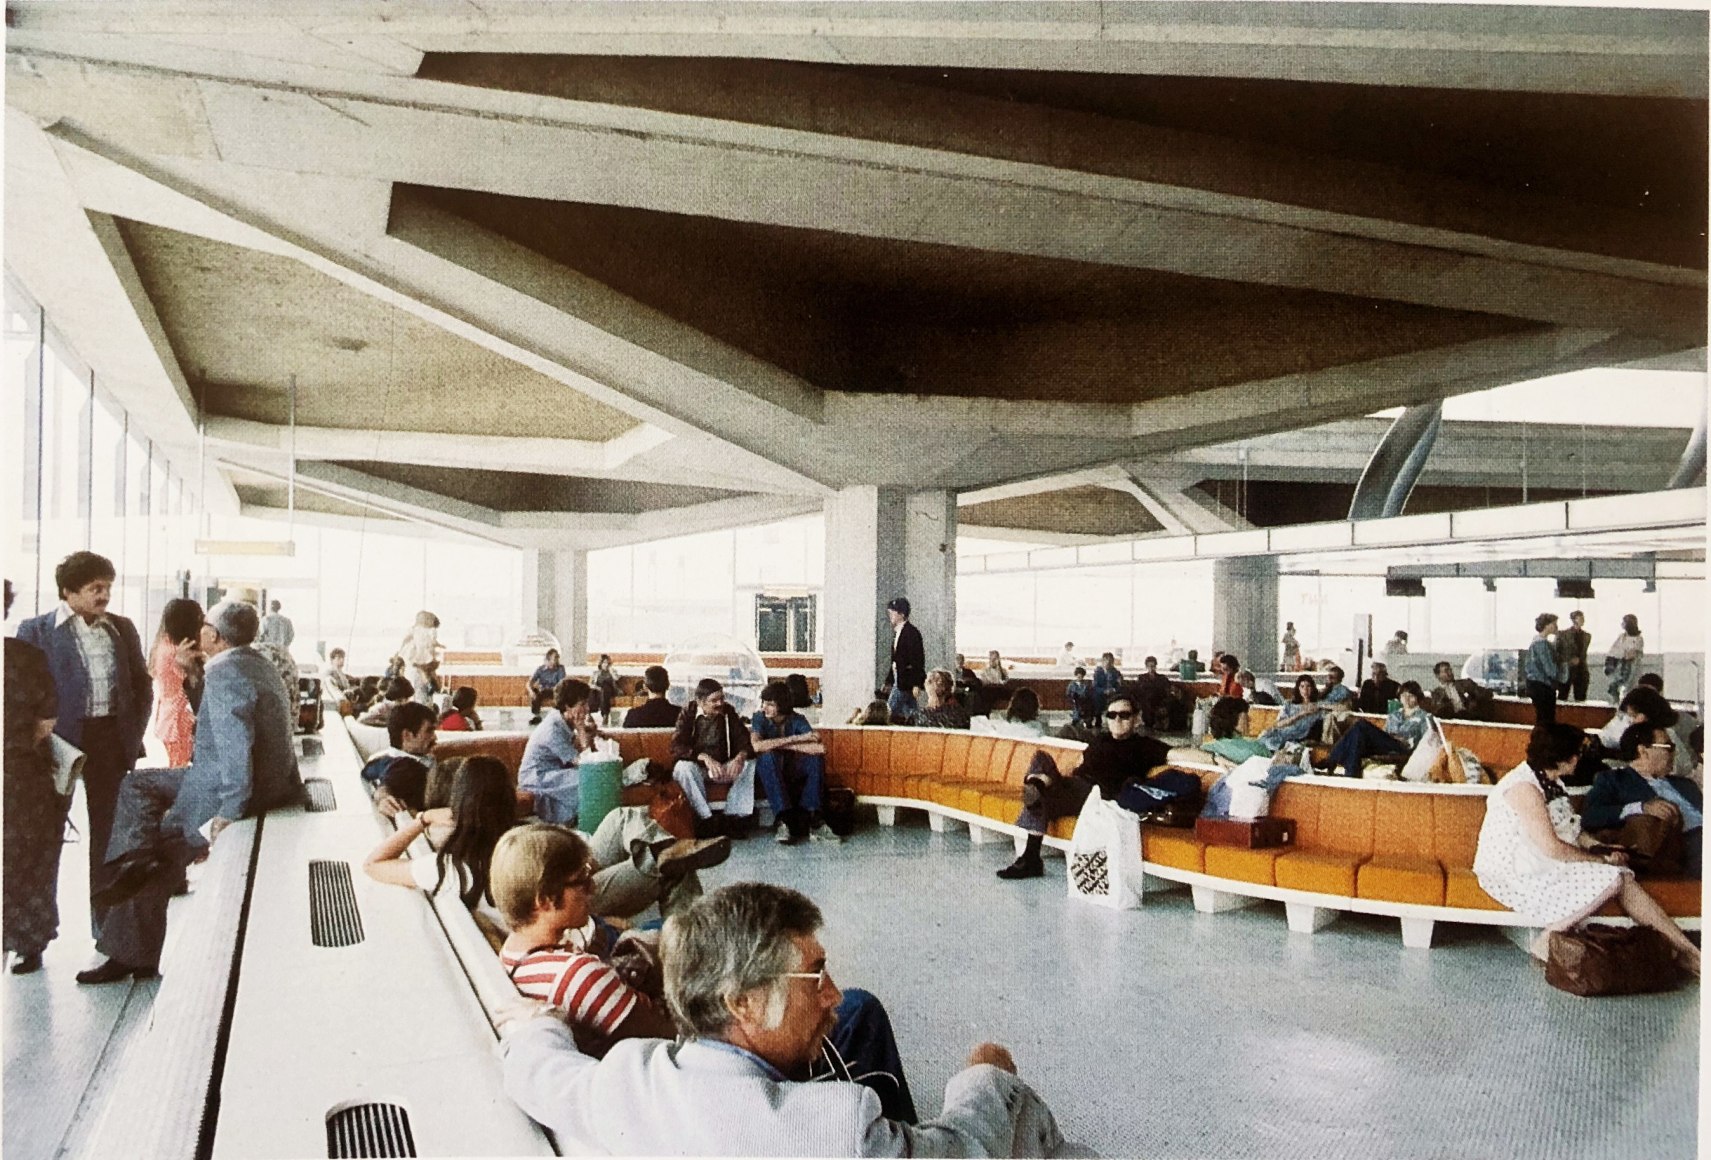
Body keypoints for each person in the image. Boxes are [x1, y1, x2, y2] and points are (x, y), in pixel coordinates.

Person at [500, 881, 1060, 1155]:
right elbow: (963, 1149)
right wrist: (988, 1079)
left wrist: (541, 1021)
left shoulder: (626, 1083)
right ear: (740, 1001)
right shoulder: (836, 1130)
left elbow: (537, 1068)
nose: (833, 995)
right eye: (814, 975)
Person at [79, 600, 302, 983]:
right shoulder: (253, 663)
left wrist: (230, 810)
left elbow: (235, 745)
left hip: (229, 787)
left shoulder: (228, 673)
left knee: (149, 818)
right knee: (139, 789)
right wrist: (192, 676)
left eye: (204, 626)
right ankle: (138, 860)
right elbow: (221, 722)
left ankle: (135, 872)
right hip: (261, 782)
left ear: (213, 636)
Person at [365, 757, 729, 929]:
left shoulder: (447, 864)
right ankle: (692, 937)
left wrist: (420, 820)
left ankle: (666, 848)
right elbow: (566, 882)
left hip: (561, 879)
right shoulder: (518, 844)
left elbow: (374, 865)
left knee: (622, 818)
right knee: (668, 870)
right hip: (570, 896)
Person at [1473, 723, 1699, 973]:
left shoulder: (1552, 781)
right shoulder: (1524, 788)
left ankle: (1686, 950)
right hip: (1516, 868)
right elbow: (1552, 848)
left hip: (1541, 857)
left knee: (1621, 875)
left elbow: (1574, 832)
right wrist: (1599, 862)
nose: (1580, 759)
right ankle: (1550, 935)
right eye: (1577, 754)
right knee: (1614, 878)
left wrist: (1601, 848)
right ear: (1565, 758)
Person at [16, 551, 152, 940]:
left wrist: (132, 735)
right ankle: (31, 937)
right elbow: (20, 692)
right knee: (44, 838)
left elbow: (142, 686)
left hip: (110, 742)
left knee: (110, 838)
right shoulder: (36, 631)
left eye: (108, 586)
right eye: (96, 588)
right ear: (68, 592)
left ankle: (107, 928)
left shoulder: (122, 629)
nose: (104, 594)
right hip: (55, 748)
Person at [997, 692, 1168, 880]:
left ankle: (1031, 855)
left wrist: (1207, 755)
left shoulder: (1145, 746)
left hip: (1098, 796)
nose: (1117, 719)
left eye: (1124, 715)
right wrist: (1057, 778)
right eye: (1112, 715)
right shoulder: (1099, 741)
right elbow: (1078, 766)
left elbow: (1178, 754)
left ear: (1136, 718)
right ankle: (1038, 786)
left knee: (1040, 796)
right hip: (1075, 788)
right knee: (1041, 757)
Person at [4, 580, 65, 974]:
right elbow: (47, 719)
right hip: (22, 774)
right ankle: (29, 941)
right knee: (31, 860)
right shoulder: (24, 656)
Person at [1583, 723, 1702, 878]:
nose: (1674, 752)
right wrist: (1640, 808)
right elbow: (1590, 816)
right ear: (1643, 751)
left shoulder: (1686, 784)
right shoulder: (1613, 780)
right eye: (1668, 747)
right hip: (1680, 843)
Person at [749, 681, 834, 845]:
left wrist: (780, 744)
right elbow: (757, 746)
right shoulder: (759, 718)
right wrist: (796, 740)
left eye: (770, 704)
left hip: (791, 770)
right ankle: (783, 820)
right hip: (769, 773)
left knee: (815, 760)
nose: (764, 708)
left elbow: (819, 748)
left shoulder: (797, 719)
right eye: (764, 703)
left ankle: (813, 817)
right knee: (767, 757)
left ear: (782, 706)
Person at [672, 678, 757, 838]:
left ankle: (733, 818)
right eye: (714, 700)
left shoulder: (728, 712)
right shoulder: (688, 713)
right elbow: (677, 746)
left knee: (749, 763)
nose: (720, 703)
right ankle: (706, 820)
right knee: (682, 768)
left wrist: (739, 757)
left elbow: (744, 741)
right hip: (699, 769)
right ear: (700, 702)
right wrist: (704, 758)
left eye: (722, 698)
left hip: (724, 768)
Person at [520, 679, 611, 825]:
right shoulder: (552, 730)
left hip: (555, 772)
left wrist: (591, 733)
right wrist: (582, 732)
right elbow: (585, 765)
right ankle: (590, 823)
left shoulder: (562, 721)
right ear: (568, 706)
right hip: (537, 777)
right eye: (582, 704)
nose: (587, 709)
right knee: (590, 780)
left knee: (595, 778)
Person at [1325, 681, 1434, 779]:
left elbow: (1427, 742)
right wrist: (1390, 736)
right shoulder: (1394, 715)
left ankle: (1332, 760)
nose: (1406, 698)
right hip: (1388, 743)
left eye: (1410, 696)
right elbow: (1384, 734)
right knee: (1358, 736)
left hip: (1402, 747)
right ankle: (1350, 772)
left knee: (1361, 725)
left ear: (1418, 698)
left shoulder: (1424, 717)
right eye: (1403, 695)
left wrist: (1407, 741)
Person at [147, 598, 204, 767]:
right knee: (181, 769)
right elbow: (195, 682)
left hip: (169, 715)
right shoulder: (178, 652)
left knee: (177, 766)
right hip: (180, 719)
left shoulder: (163, 643)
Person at [362, 701, 438, 815]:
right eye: (429, 731)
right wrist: (382, 798)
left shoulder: (379, 760)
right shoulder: (407, 767)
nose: (434, 737)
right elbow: (387, 785)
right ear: (407, 735)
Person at [1258, 674, 1328, 751]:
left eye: (1308, 686)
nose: (1305, 690)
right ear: (1298, 688)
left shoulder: (1318, 707)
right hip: (1279, 734)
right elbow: (1279, 724)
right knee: (1263, 740)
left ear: (1312, 688)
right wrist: (1301, 714)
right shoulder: (1289, 704)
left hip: (1296, 739)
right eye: (1302, 686)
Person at [884, 597, 925, 722]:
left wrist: (917, 684)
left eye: (893, 612)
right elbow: (895, 661)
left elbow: (918, 660)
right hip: (899, 679)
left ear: (901, 614)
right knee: (912, 713)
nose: (890, 615)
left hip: (905, 681)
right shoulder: (898, 632)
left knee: (888, 712)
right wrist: (889, 681)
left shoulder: (912, 633)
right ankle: (921, 725)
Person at [1522, 613, 1566, 727]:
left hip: (1535, 684)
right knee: (1546, 719)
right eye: (1554, 624)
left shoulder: (1536, 642)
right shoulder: (1542, 644)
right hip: (1542, 686)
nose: (1556, 626)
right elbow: (1549, 668)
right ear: (1546, 626)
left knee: (1542, 717)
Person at [1201, 696, 1271, 764]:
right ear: (1233, 719)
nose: (1249, 719)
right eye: (1245, 716)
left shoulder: (1208, 748)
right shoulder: (1256, 749)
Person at [399, 610, 442, 703]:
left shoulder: (413, 635)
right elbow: (422, 658)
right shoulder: (421, 635)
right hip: (417, 672)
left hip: (416, 671)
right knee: (419, 699)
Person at [1604, 614, 1645, 704]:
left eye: (1624, 622)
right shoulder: (1621, 637)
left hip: (1631, 667)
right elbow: (1614, 651)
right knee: (1614, 686)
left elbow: (1631, 654)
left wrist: (1623, 654)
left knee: (1629, 688)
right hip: (1619, 666)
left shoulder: (1638, 639)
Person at [1554, 610, 1592, 702]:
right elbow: (1555, 652)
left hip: (1581, 670)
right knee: (1562, 696)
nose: (1583, 620)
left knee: (1581, 697)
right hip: (1566, 669)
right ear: (1574, 620)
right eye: (1580, 618)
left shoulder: (1587, 636)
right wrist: (1568, 660)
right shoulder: (1562, 634)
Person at [1132, 655, 1173, 730]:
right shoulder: (1141, 678)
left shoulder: (1162, 678)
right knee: (1147, 702)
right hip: (1146, 703)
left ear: (1156, 666)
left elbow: (1168, 692)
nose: (1151, 668)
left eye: (1153, 666)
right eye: (1149, 666)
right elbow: (1136, 692)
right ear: (1146, 667)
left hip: (1159, 701)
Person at [528, 648, 567, 724]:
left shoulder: (560, 668)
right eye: (554, 658)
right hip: (543, 691)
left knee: (561, 692)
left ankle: (560, 717)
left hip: (555, 691)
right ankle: (536, 716)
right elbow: (530, 682)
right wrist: (531, 691)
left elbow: (562, 683)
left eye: (557, 658)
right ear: (548, 659)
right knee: (536, 692)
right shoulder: (541, 669)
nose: (556, 660)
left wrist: (554, 689)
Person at [1091, 651, 1123, 716]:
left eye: (1110, 661)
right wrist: (1104, 691)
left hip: (1113, 693)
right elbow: (1095, 686)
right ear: (1102, 661)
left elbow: (1119, 685)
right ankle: (1098, 717)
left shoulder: (1116, 672)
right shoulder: (1098, 672)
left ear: (1113, 662)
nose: (1108, 663)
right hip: (1101, 693)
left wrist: (1113, 690)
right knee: (1096, 696)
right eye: (1106, 660)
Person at [590, 653, 620, 719]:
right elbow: (590, 684)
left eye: (607, 663)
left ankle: (605, 714)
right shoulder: (596, 673)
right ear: (600, 663)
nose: (606, 664)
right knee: (592, 691)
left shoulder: (612, 671)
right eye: (604, 663)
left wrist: (611, 671)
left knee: (605, 686)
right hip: (598, 690)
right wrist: (597, 687)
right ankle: (591, 712)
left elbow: (616, 678)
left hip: (610, 690)